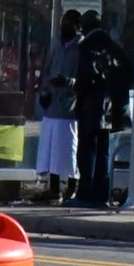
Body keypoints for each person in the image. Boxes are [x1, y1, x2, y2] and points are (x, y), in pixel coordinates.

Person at [73, 16, 126, 207]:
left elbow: (86, 78)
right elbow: (126, 73)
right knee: (103, 151)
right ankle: (101, 191)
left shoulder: (87, 46)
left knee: (87, 151)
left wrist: (75, 88)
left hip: (92, 106)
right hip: (110, 108)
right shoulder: (112, 45)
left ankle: (85, 192)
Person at [35, 11, 81, 202]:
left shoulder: (81, 48)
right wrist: (45, 88)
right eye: (63, 22)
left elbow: (84, 80)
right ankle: (53, 187)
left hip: (69, 108)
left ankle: (72, 185)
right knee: (51, 148)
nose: (64, 26)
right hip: (52, 105)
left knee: (70, 148)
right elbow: (48, 68)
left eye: (68, 23)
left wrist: (68, 82)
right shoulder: (56, 45)